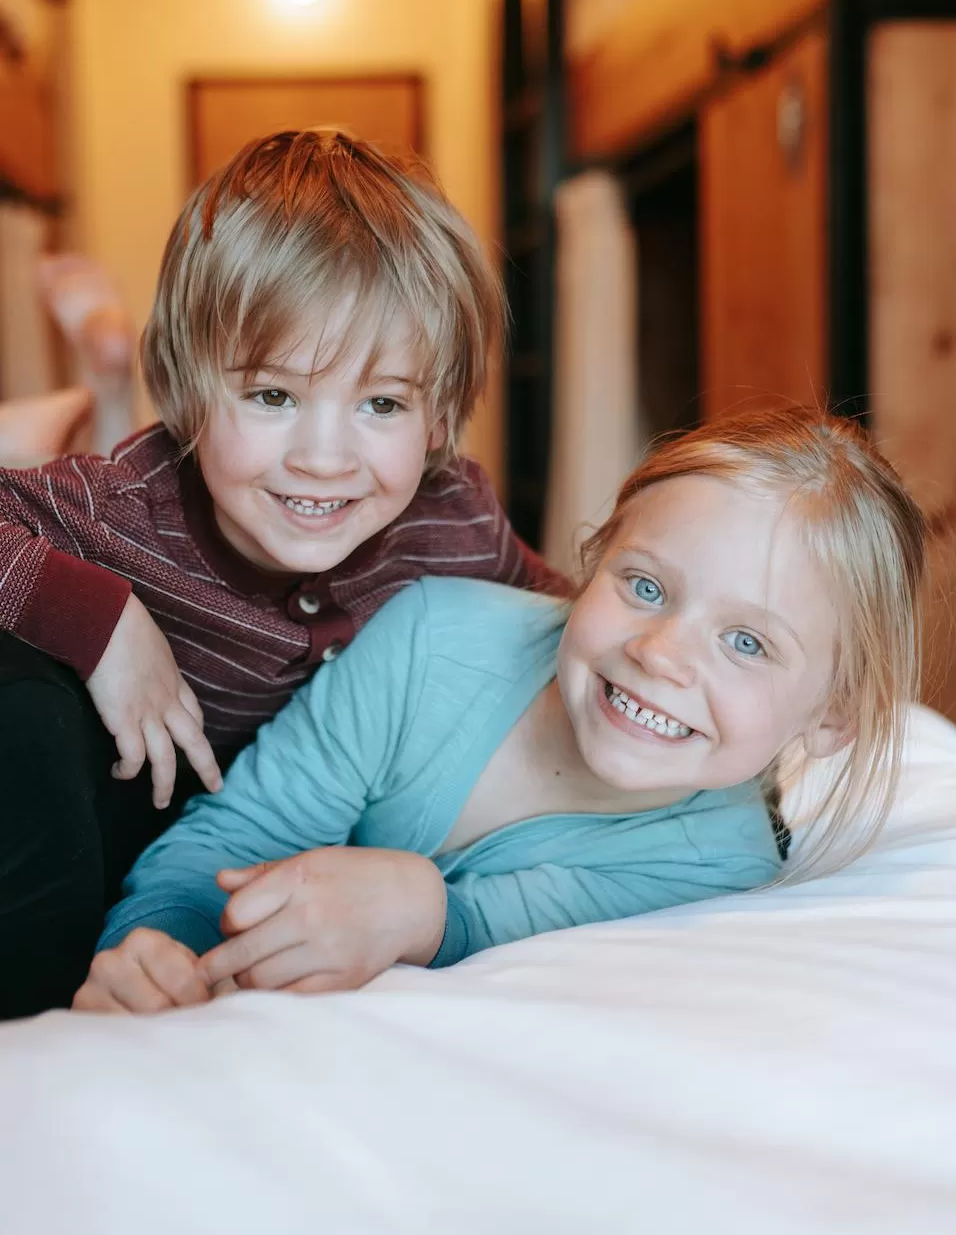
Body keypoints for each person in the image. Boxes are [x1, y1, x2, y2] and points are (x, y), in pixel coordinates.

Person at [73, 407, 927, 1014]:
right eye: (644, 586)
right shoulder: (431, 638)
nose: (661, 653)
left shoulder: (718, 864)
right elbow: (237, 836)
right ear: (590, 564)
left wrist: (425, 908)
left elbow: (504, 933)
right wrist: (155, 951)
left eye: (746, 642)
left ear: (833, 716)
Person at [0, 129, 565, 1019]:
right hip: (143, 834)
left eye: (382, 403)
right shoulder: (127, 511)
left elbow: (560, 619)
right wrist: (104, 621)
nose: (323, 458)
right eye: (273, 396)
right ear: (188, 390)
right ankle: (76, 405)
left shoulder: (452, 516)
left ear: (440, 417)